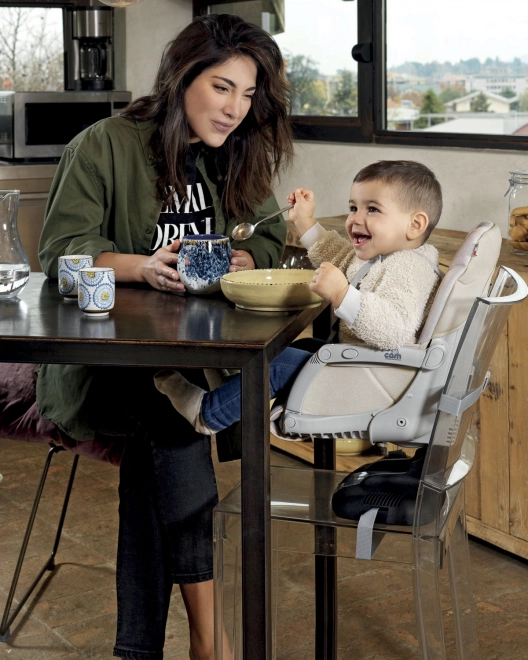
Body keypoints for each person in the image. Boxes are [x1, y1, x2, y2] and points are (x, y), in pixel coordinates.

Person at [36, 14, 293, 660]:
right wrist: (138, 266)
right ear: (183, 79)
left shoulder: (237, 156)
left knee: (165, 433)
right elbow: (61, 255)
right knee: (172, 422)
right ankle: (213, 641)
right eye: (221, 87)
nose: (236, 108)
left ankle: (140, 650)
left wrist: (248, 261)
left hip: (193, 368)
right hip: (101, 371)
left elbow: (267, 235)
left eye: (247, 93)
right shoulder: (103, 146)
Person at [155, 160, 444, 436]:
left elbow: (393, 330)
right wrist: (305, 222)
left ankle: (207, 414)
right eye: (353, 207)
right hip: (367, 369)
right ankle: (235, 393)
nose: (355, 219)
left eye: (372, 209)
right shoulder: (388, 257)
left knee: (280, 365)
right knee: (294, 350)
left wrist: (343, 295)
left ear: (415, 224)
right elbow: (339, 255)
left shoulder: (410, 267)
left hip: (377, 381)